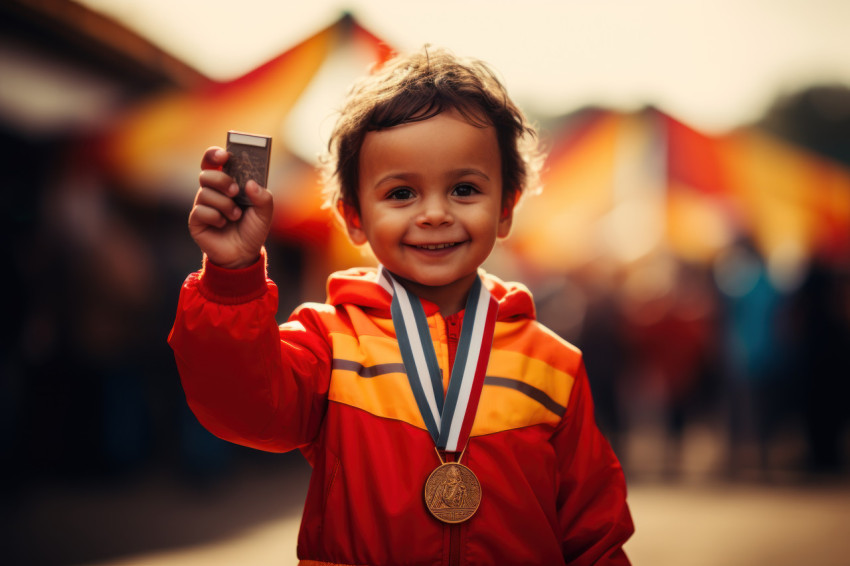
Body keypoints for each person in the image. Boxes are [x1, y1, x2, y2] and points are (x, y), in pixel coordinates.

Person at [169, 47, 633, 566]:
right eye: (401, 193)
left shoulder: (554, 366)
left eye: (463, 189)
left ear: (506, 208)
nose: (434, 214)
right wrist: (233, 276)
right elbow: (241, 408)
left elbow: (595, 534)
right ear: (354, 218)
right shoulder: (329, 343)